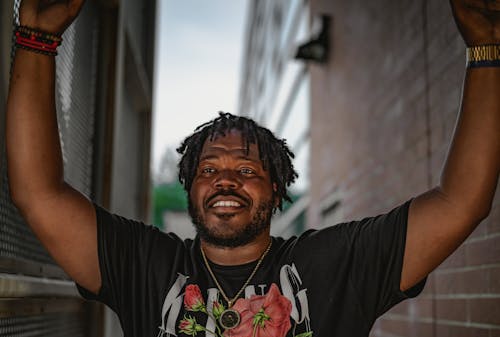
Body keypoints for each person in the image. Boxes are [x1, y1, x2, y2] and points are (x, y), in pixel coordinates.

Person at [5, 0, 499, 336]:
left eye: (247, 170)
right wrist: (37, 38)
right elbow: (39, 195)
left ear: (278, 188)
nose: (225, 179)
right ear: (190, 187)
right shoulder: (143, 263)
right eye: (209, 169)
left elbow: (461, 202)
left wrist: (487, 51)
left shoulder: (337, 263)